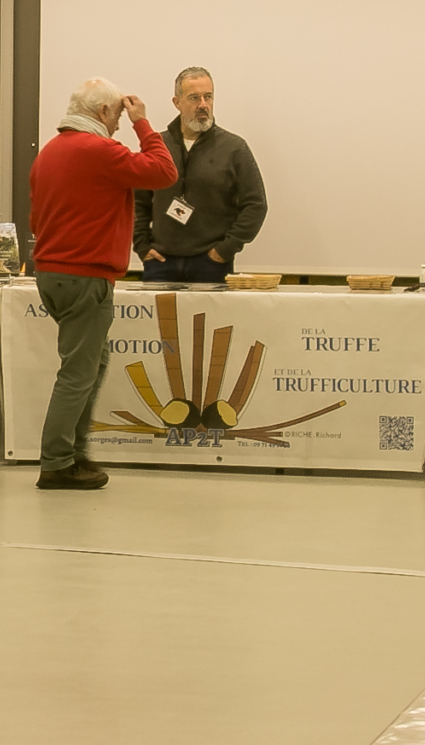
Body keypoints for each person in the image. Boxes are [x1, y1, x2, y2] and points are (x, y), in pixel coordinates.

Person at [28, 78, 177, 491]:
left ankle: (75, 454)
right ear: (103, 112)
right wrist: (143, 123)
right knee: (78, 373)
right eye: (117, 116)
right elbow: (164, 172)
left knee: (92, 364)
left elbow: (36, 220)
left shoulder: (49, 153)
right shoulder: (100, 151)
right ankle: (57, 462)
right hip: (85, 276)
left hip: (52, 274)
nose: (118, 125)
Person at [135, 66, 267, 285]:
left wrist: (225, 249)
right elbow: (137, 201)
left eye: (208, 97)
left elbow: (256, 204)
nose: (203, 104)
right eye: (194, 98)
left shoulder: (234, 148)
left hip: (211, 264)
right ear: (177, 102)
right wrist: (142, 246)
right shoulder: (158, 146)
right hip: (160, 263)